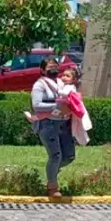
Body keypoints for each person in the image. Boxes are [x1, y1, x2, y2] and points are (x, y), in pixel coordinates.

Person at [30, 57, 76, 197]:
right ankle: (52, 188)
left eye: (55, 66)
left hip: (63, 124)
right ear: (43, 70)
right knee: (55, 155)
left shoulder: (62, 84)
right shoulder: (39, 85)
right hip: (47, 124)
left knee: (69, 156)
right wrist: (57, 105)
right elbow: (36, 105)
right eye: (50, 67)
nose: (53, 68)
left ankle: (52, 172)